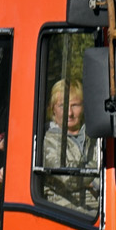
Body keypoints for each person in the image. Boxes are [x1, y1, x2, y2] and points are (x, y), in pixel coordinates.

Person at [40, 78, 99, 213]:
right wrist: (99, 168)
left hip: (102, 211)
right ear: (52, 109)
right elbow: (68, 177)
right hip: (65, 214)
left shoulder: (95, 133)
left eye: (75, 105)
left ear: (83, 106)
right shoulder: (47, 139)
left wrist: (95, 182)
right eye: (62, 106)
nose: (70, 113)